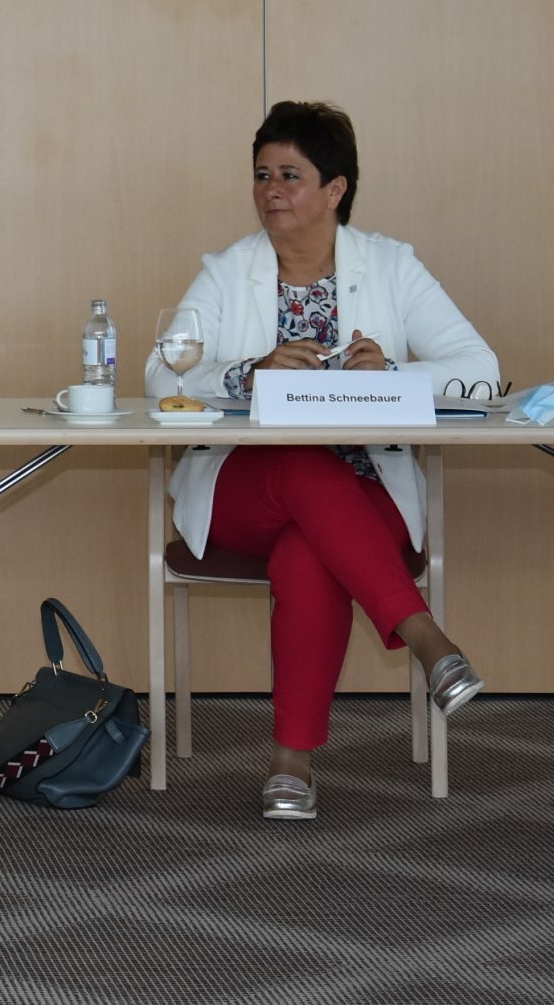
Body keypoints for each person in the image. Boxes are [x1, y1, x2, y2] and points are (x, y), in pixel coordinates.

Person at [146, 100, 497, 821]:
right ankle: (426, 638)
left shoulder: (391, 267)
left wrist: (394, 374)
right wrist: (250, 373)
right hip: (248, 484)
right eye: (262, 175)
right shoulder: (228, 271)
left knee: (311, 549)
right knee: (306, 471)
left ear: (336, 190)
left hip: (367, 494)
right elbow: (161, 376)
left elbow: (482, 371)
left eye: (291, 176)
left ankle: (292, 763)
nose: (272, 190)